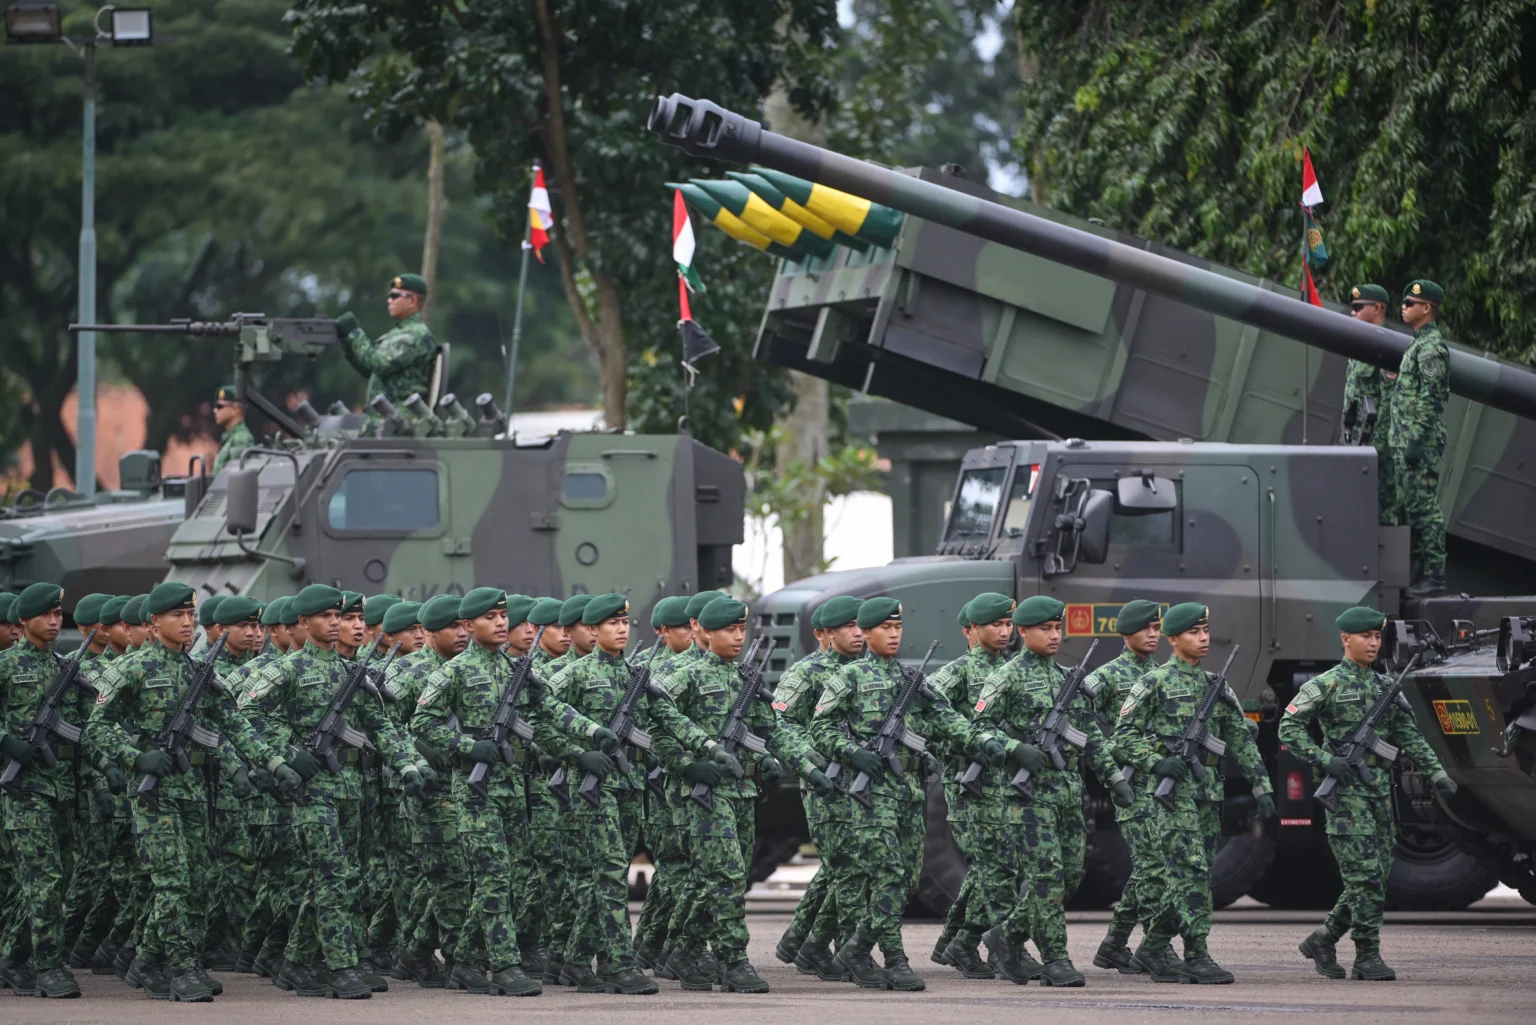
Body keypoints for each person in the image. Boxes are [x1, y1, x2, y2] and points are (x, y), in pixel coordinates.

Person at [87, 583, 304, 1001]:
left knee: (201, 881)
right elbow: (96, 727)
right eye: (177, 616)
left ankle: (148, 960)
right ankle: (183, 969)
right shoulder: (131, 669)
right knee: (173, 882)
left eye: (190, 615)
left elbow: (234, 724)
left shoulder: (199, 672)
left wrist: (275, 764)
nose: (187, 623)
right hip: (153, 793)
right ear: (153, 623)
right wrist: (135, 757)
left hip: (193, 790)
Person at [411, 587, 619, 997]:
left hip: (510, 788)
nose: (502, 623)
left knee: (503, 880)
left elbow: (551, 711)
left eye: (503, 616)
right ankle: (504, 966)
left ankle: (467, 963)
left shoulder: (515, 670)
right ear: (469, 626)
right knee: (492, 877)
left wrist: (591, 736)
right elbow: (422, 723)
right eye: (490, 617)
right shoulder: (452, 672)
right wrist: (469, 747)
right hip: (474, 791)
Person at [238, 583, 428, 999]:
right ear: (303, 623)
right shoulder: (287, 669)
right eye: (329, 616)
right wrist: (284, 756)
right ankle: (339, 965)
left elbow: (382, 727)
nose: (340, 624)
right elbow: (245, 715)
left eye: (340, 616)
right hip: (310, 791)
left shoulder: (351, 674)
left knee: (344, 878)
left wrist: (408, 764)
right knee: (331, 878)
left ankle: (298, 961)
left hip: (350, 788)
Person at [810, 597, 1003, 992]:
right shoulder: (847, 678)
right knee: (889, 877)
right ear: (865, 632)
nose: (894, 635)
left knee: (909, 880)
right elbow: (820, 729)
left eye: (898, 628)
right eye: (886, 628)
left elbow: (945, 718)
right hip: (868, 797)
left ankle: (856, 948)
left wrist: (982, 741)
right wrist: (853, 753)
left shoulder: (911, 679)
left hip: (908, 793)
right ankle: (892, 959)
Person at [651, 595, 826, 993]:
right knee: (725, 875)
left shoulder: (743, 677)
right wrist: (685, 764)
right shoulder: (683, 675)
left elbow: (772, 731)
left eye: (742, 629)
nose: (737, 637)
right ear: (704, 632)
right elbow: (656, 727)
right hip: (701, 793)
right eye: (729, 630)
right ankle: (733, 960)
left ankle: (684, 950)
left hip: (741, 791)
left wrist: (807, 765)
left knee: (721, 878)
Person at [1281, 606, 1457, 981]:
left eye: (1378, 637)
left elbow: (1408, 736)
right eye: (1366, 636)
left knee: (1375, 877)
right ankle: (1367, 954)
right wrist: (1326, 760)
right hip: (1345, 797)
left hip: (1380, 796)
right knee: (1365, 880)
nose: (1374, 643)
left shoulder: (1384, 687)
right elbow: (1288, 728)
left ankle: (1324, 938)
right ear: (1346, 639)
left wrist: (1437, 773)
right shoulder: (1325, 684)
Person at [970, 596, 1134, 988]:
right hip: (1027, 797)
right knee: (1045, 877)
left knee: (1071, 875)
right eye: (1045, 628)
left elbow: (1090, 735)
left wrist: (1114, 779)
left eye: (1058, 628)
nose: (1054, 635)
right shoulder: (1004, 677)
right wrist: (1014, 749)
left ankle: (1006, 936)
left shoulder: (1067, 679)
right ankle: (1056, 958)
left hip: (1066, 793)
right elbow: (977, 729)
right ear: (1023, 632)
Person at [1115, 603, 1274, 984]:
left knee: (1196, 874)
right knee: (1191, 875)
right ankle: (1196, 954)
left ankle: (1153, 946)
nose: (1203, 638)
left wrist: (1262, 786)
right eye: (1193, 632)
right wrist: (1156, 762)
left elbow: (1240, 738)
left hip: (1207, 793)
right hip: (1171, 797)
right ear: (1173, 640)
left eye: (1205, 631)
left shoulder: (1215, 685)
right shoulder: (1153, 682)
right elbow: (1122, 737)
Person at [773, 596, 864, 980]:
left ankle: (800, 941)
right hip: (825, 782)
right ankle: (841, 948)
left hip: (863, 782)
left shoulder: (867, 670)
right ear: (823, 634)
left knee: (843, 865)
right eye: (848, 627)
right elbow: (781, 724)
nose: (858, 633)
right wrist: (812, 763)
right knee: (846, 865)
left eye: (862, 625)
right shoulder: (806, 672)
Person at [0, 582, 84, 998]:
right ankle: (48, 965)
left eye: (58, 615)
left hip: (61, 787)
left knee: (58, 877)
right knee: (43, 879)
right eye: (46, 616)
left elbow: (84, 729)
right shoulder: (5, 665)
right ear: (23, 621)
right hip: (23, 789)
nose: (54, 622)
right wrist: (4, 740)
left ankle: (12, 958)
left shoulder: (65, 668)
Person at [926, 593, 1015, 980]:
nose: (1004, 631)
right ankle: (1003, 946)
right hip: (971, 785)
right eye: (995, 624)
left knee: (992, 867)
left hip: (1011, 784)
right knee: (996, 866)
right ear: (970, 631)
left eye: (1009, 624)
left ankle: (957, 941)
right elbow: (927, 717)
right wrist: (962, 748)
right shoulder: (956, 673)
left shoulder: (1015, 670)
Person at [381, 598, 464, 989]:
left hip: (472, 787)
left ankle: (414, 950)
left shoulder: (471, 670)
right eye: (453, 627)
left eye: (467, 625)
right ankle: (436, 953)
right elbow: (385, 728)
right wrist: (418, 760)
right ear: (430, 632)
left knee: (463, 876)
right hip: (428, 790)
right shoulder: (407, 673)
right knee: (444, 876)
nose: (463, 633)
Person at [1089, 599, 1165, 975]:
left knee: (1154, 864)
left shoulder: (1163, 674)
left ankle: (1115, 945)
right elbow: (1081, 727)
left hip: (1165, 784)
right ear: (1126, 634)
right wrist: (1115, 760)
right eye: (1145, 629)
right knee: (1154, 865)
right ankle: (1156, 948)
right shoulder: (1105, 677)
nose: (1153, 635)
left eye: (1157, 628)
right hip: (1131, 783)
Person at [1391, 280, 1451, 598]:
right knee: (1412, 508)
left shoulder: (1430, 348)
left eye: (1409, 302)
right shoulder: (1417, 344)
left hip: (1421, 441)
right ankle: (1420, 575)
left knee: (1425, 507)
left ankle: (1434, 576)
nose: (1403, 306)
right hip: (1408, 439)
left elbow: (1432, 397)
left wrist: (1415, 438)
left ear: (1426, 308)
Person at [335, 274, 437, 419]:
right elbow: (368, 370)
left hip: (398, 420)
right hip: (384, 417)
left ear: (412, 301)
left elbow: (377, 364)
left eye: (395, 296)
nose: (389, 300)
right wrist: (347, 342)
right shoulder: (398, 334)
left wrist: (355, 333)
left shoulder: (415, 335)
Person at [211, 386, 254, 475]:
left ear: (235, 409)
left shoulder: (241, 439)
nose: (215, 410)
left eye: (220, 406)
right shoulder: (230, 439)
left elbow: (236, 476)